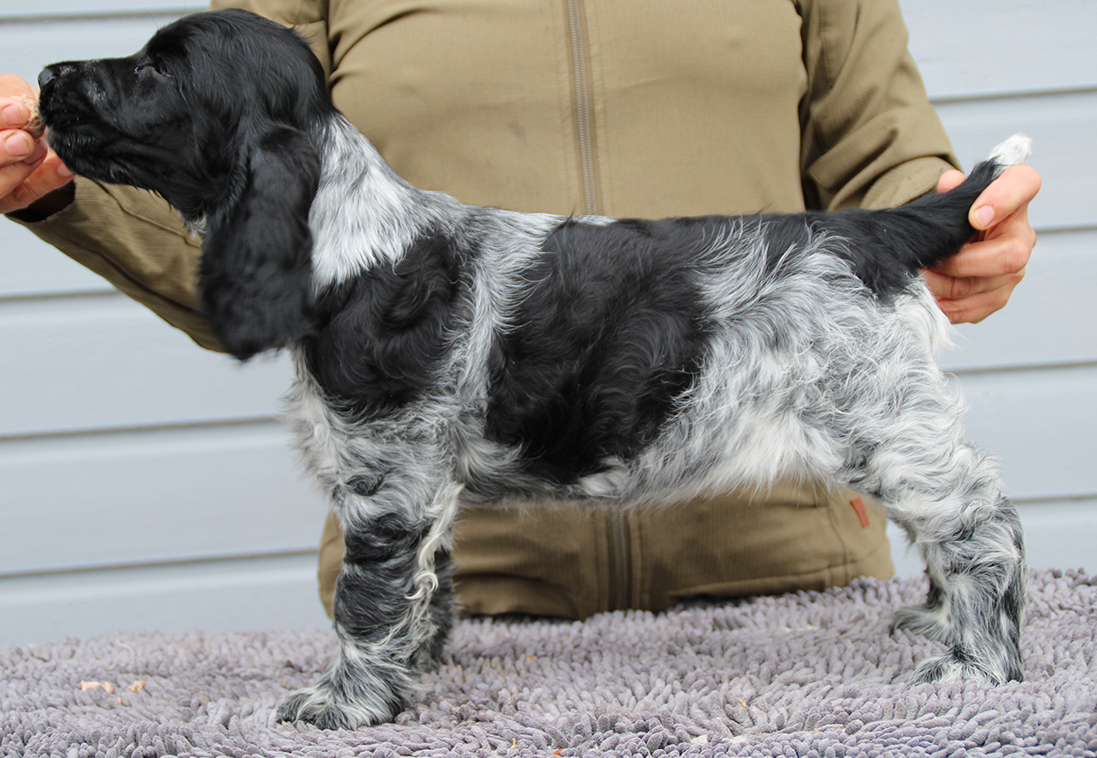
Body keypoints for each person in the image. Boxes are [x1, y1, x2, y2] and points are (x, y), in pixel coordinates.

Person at [1, 0, 1040, 621]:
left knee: (931, 504)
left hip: (787, 576)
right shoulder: (263, 60)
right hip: (474, 601)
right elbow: (235, 210)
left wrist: (962, 219)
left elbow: (880, 152)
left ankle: (977, 596)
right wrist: (62, 189)